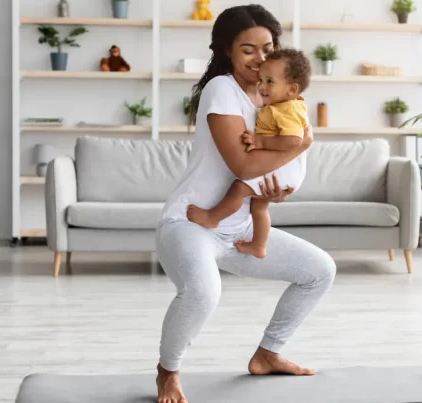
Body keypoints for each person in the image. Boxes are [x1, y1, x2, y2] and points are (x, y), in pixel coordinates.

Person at [154, 5, 336, 403]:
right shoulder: (221, 89)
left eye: (267, 48)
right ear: (226, 50)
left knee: (319, 270)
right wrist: (300, 145)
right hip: (190, 223)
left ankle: (268, 354)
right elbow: (243, 163)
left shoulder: (274, 96)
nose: (258, 59)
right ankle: (168, 371)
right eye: (247, 50)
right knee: (204, 292)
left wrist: (274, 191)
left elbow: (262, 171)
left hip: (239, 228)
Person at [186, 47, 312, 259]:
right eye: (261, 80)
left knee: (238, 188)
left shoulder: (288, 109)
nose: (261, 86)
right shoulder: (284, 105)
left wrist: (259, 140)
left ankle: (212, 217)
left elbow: (293, 141)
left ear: (291, 89)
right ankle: (259, 246)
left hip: (284, 167)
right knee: (259, 207)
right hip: (285, 168)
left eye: (269, 82)